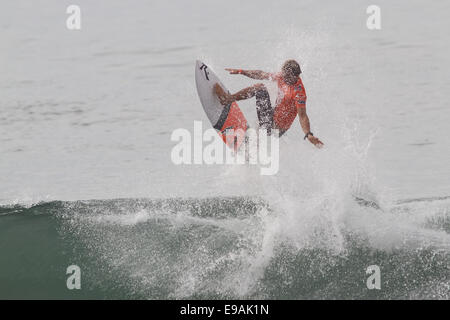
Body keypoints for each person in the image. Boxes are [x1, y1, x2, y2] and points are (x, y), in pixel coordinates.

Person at [213, 59, 323, 148]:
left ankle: (227, 99)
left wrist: (308, 134)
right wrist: (242, 72)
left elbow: (303, 116)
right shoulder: (284, 76)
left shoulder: (299, 92)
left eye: (286, 76)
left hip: (276, 128)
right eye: (283, 74)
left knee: (260, 88)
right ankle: (254, 145)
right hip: (272, 116)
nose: (283, 77)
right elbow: (261, 74)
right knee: (261, 89)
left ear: (295, 76)